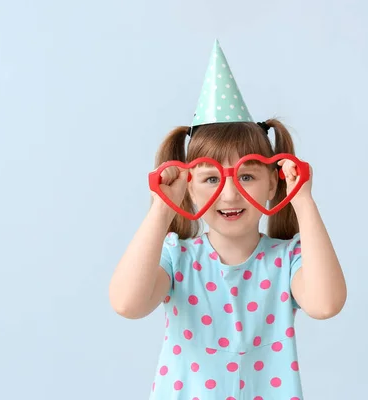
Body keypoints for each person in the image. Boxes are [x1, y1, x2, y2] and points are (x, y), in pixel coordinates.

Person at [109, 40, 347, 400]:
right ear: (188, 187)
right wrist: (162, 209)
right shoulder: (178, 259)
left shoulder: (287, 261)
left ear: (273, 182)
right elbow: (127, 303)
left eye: (247, 176)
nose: (231, 194)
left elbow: (326, 303)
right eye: (210, 179)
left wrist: (303, 202)